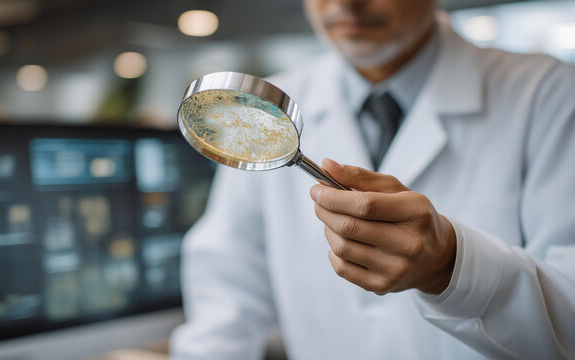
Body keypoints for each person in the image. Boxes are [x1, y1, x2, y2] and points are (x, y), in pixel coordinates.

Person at [171, 0, 575, 358]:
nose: (347, 3)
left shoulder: (549, 94)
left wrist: (453, 268)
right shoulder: (261, 113)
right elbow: (225, 306)